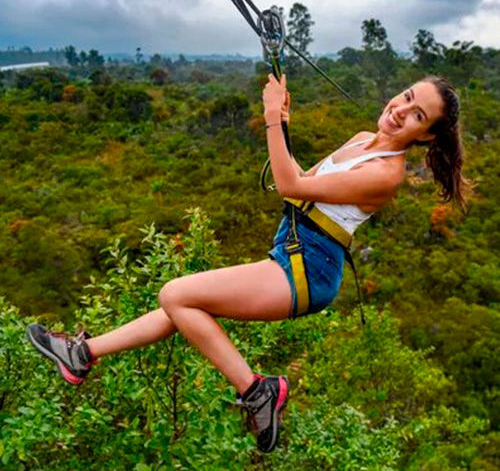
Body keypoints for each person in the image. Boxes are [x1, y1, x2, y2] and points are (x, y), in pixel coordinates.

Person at [26, 73, 467, 453]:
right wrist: (283, 124)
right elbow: (299, 187)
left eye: (417, 115)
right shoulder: (359, 141)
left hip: (308, 270)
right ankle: (83, 353)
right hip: (291, 251)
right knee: (182, 308)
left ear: (426, 135)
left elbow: (288, 183)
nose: (400, 110)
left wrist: (273, 117)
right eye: (407, 97)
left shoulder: (385, 174)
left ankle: (259, 391)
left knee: (175, 294)